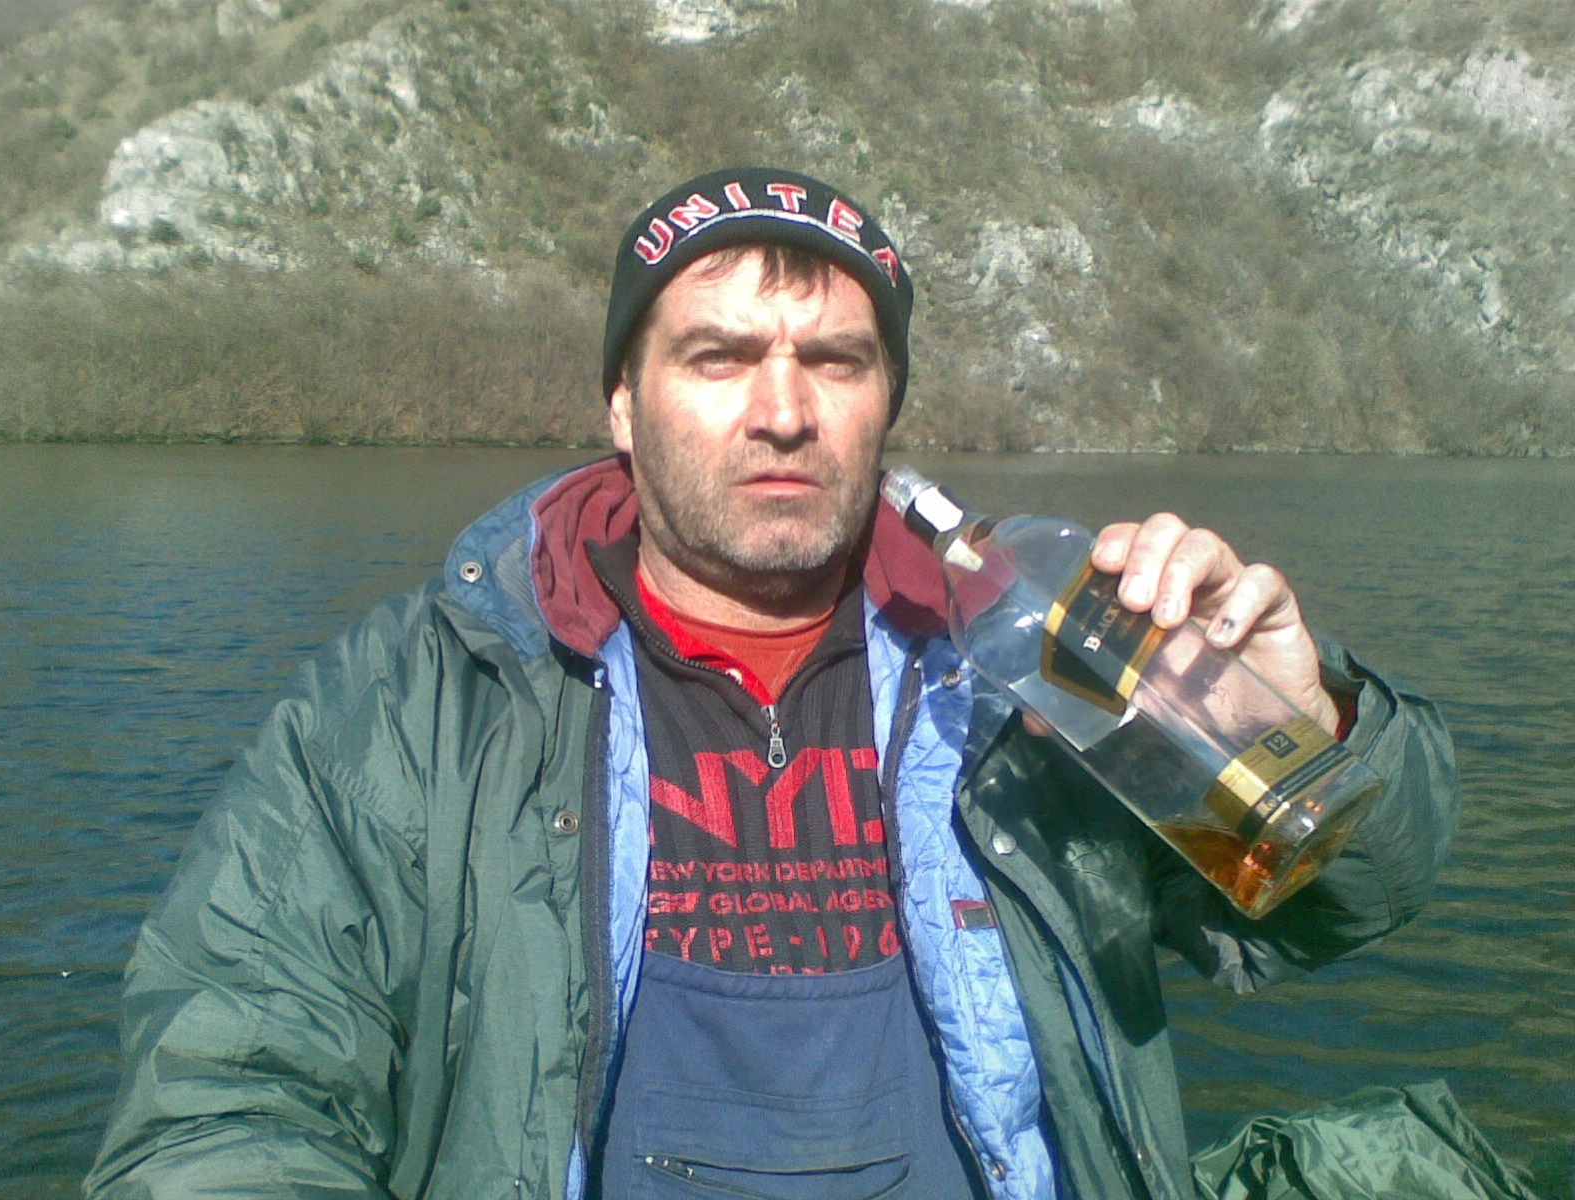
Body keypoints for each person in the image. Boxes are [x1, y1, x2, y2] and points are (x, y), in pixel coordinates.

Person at [85, 168, 1459, 1200]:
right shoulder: (413, 705)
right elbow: (226, 1099)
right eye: (719, 357)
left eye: (835, 362)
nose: (785, 409)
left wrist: (1310, 727)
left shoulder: (1039, 680)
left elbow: (1332, 906)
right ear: (623, 406)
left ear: (886, 406)